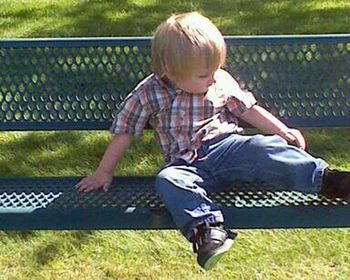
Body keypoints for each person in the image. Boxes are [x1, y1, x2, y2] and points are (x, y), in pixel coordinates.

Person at [76, 12, 350, 270]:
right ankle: (207, 232)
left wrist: (282, 131)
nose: (212, 78)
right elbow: (125, 131)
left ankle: (328, 180)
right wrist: (104, 172)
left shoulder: (219, 79)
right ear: (170, 70)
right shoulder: (149, 93)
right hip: (187, 164)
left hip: (228, 149)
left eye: (215, 69)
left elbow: (248, 109)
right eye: (203, 75)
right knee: (167, 180)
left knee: (263, 147)